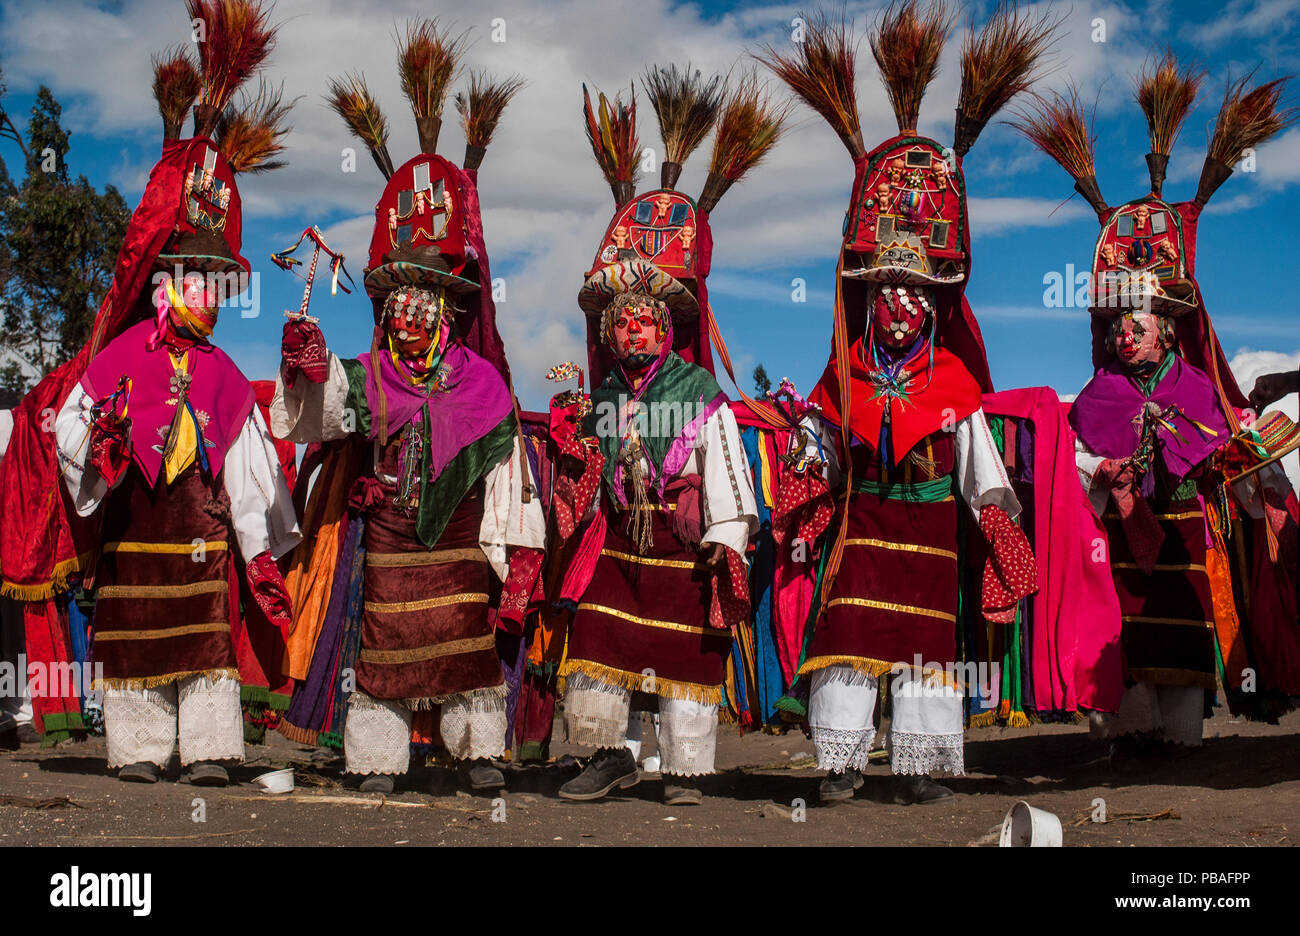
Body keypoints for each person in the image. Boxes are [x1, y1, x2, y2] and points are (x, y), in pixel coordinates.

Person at [759, 6, 1046, 805]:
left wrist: (996, 521)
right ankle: (842, 760)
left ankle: (921, 765)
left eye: (913, 290)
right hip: (864, 526)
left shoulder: (954, 379)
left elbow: (979, 464)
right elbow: (815, 447)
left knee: (926, 651)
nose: (898, 303)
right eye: (885, 288)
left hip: (925, 531)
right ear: (867, 294)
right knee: (848, 641)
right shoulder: (842, 374)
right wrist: (807, 495)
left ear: (933, 300)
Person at [271, 22, 540, 795]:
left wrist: (515, 553)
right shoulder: (367, 376)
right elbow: (314, 421)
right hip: (387, 547)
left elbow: (507, 481)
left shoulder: (485, 386)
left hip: (458, 548)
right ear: (386, 312)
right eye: (402, 304)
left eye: (428, 303)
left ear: (449, 313)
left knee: (465, 653)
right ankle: (378, 759)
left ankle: (479, 753)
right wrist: (306, 373)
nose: (414, 316)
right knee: (382, 657)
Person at [1016, 52, 1300, 747]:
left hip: (1183, 540)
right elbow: (1073, 463)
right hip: (1116, 541)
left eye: (1137, 320)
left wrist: (1243, 470)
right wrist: (1098, 478)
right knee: (1122, 635)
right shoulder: (1096, 397)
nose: (1126, 332)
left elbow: (1220, 456)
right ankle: (1122, 734)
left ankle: (1181, 741)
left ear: (1169, 326)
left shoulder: (1197, 388)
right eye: (1115, 322)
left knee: (1181, 645)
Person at [51, 9, 300, 784]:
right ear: (165, 285)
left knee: (202, 644)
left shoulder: (225, 372)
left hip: (200, 545)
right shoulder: (121, 356)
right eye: (196, 281)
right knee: (131, 640)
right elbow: (71, 428)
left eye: (218, 284)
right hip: (133, 536)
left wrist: (258, 546)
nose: (210, 296)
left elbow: (251, 470)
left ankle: (212, 750)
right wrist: (97, 452)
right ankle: (137, 749)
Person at [557, 72, 768, 806]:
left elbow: (730, 477)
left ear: (668, 327)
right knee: (600, 644)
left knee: (685, 658)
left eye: (645, 319)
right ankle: (609, 756)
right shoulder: (606, 394)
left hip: (680, 548)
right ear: (611, 331)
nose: (632, 329)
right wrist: (570, 481)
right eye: (621, 321)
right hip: (620, 545)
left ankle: (682, 770)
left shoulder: (699, 394)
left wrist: (728, 536)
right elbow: (588, 468)